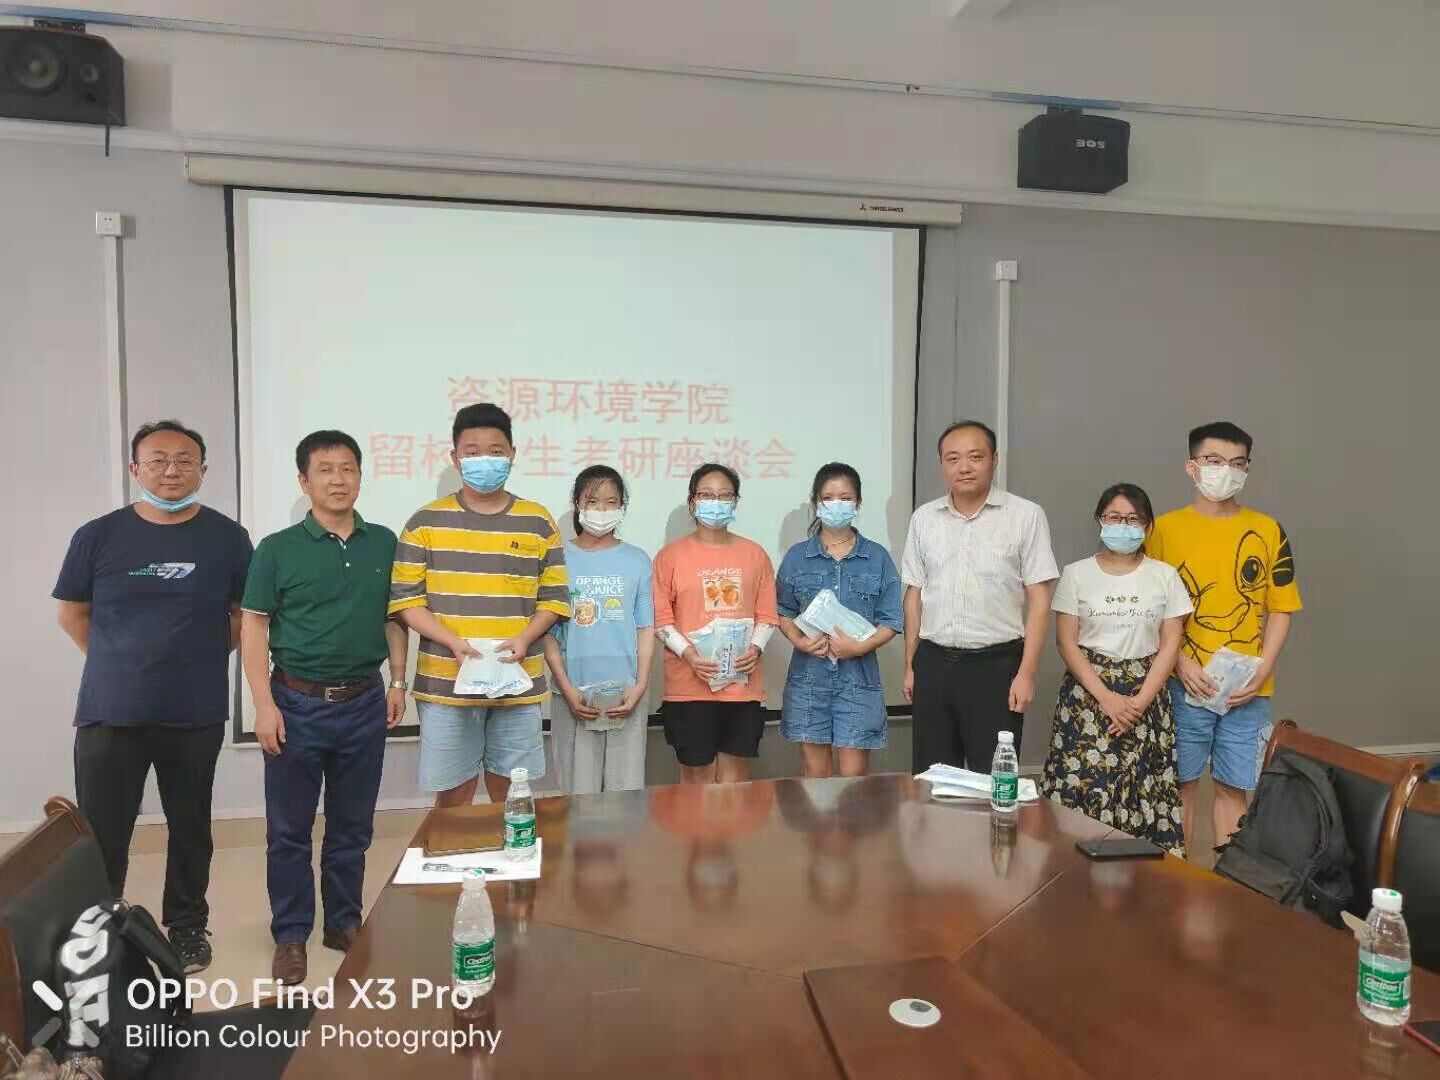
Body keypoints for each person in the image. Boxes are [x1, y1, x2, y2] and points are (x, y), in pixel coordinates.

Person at [52, 420, 253, 974]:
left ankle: (186, 926)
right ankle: (99, 930)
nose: (171, 470)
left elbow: (243, 616)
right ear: (135, 469)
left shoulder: (228, 537)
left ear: (203, 471)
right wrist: (119, 663)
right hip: (110, 709)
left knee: (191, 826)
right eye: (158, 459)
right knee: (102, 831)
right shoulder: (98, 535)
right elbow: (73, 613)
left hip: (193, 710)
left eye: (185, 460)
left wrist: (198, 659)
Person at [240, 430, 409, 985]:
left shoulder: (384, 542)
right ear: (304, 481)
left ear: (360, 475)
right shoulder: (277, 549)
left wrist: (398, 681)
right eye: (325, 469)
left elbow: (394, 618)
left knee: (352, 826)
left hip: (363, 701)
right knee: (289, 829)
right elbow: (254, 628)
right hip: (296, 702)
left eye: (348, 468)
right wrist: (263, 705)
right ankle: (291, 934)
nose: (339, 479)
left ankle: (343, 922)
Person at [389, 403, 570, 807]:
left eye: (495, 451)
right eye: (472, 452)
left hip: (517, 682)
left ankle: (512, 853)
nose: (484, 460)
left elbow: (554, 598)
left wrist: (525, 637)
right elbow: (406, 601)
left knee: (514, 795)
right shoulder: (424, 522)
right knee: (454, 797)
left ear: (512, 455)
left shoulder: (538, 521)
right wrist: (451, 642)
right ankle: (456, 853)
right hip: (446, 684)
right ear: (455, 458)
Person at [1145, 421, 1302, 849]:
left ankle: (1230, 881)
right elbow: (1149, 611)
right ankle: (1176, 879)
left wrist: (1262, 670)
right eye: (1214, 461)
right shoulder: (1161, 531)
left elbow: (1281, 609)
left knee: (1235, 790)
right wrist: (1179, 661)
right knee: (1180, 786)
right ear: (1191, 466)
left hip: (1247, 690)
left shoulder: (1268, 530)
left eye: (1237, 463)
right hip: (1181, 685)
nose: (1226, 471)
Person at [900, 421, 1058, 773]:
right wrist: (911, 665)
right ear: (942, 464)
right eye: (953, 458)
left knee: (993, 778)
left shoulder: (1025, 516)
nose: (964, 467)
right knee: (933, 777)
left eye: (975, 457)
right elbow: (914, 596)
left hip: (996, 667)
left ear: (994, 460)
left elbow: (1040, 601)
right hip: (934, 664)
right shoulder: (924, 518)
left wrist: (1027, 673)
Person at [1040, 483, 1191, 853]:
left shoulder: (1164, 576)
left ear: (1148, 526)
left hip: (1146, 696)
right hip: (1088, 698)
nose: (1123, 526)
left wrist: (1139, 703)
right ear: (1100, 520)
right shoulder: (1076, 573)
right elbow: (1066, 642)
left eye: (1133, 519)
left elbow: (1171, 642)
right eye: (1114, 517)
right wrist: (1107, 698)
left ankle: (1146, 882)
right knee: (1084, 790)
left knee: (1142, 791)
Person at [652, 464, 779, 784]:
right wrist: (689, 655)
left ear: (736, 501)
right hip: (689, 687)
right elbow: (661, 620)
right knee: (697, 781)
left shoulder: (755, 554)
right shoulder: (670, 557)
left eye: (725, 495)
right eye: (707, 495)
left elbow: (767, 616)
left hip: (741, 687)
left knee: (735, 783)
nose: (716, 502)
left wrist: (755, 648)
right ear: (692, 501)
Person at [775, 463, 902, 778]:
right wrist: (799, 640)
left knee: (853, 782)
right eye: (828, 497)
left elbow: (892, 619)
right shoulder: (796, 557)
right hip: (809, 680)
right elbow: (781, 610)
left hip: (858, 679)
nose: (836, 504)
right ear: (816, 503)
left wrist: (859, 647)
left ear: (858, 503)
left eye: (845, 498)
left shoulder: (877, 557)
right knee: (815, 780)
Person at [542, 465, 655, 794]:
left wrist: (640, 685)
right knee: (578, 794)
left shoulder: (637, 560)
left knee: (625, 792)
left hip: (627, 693)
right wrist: (566, 687)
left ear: (622, 506)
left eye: (611, 502)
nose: (601, 510)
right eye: (593, 501)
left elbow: (645, 627)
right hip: (573, 693)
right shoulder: (557, 559)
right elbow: (547, 632)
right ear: (577, 504)